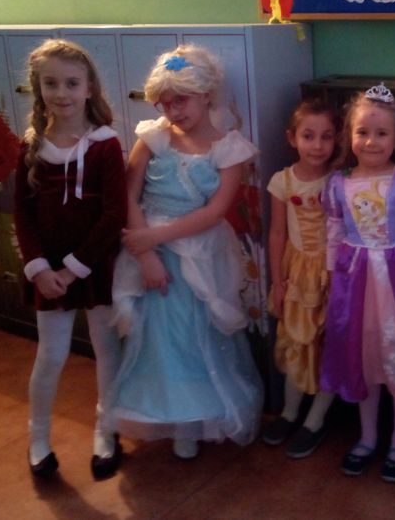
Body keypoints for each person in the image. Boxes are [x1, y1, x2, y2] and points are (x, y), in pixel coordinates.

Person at [106, 44, 263, 460]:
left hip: (200, 255)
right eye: (165, 102)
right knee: (158, 338)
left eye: (181, 100)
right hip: (150, 255)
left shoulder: (229, 149)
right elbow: (129, 195)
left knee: (195, 335)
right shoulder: (152, 138)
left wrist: (155, 238)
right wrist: (146, 255)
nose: (173, 110)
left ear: (206, 94)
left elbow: (215, 212)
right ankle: (165, 414)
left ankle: (193, 422)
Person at [13, 39, 127, 480]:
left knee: (106, 348)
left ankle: (106, 430)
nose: (61, 93)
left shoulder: (105, 145)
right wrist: (41, 269)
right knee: (51, 354)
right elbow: (22, 214)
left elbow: (114, 214)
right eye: (51, 83)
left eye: (72, 83)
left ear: (89, 88)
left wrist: (74, 267)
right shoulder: (30, 146)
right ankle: (38, 438)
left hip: (95, 267)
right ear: (38, 88)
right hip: (48, 275)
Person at [321, 83, 395, 482]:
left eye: (381, 133)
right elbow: (334, 234)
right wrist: (332, 280)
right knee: (364, 357)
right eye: (362, 132)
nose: (371, 141)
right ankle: (368, 437)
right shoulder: (338, 183)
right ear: (349, 135)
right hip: (355, 282)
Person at [262, 99, 339, 458]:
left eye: (327, 136)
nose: (317, 145)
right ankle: (290, 412)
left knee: (329, 344)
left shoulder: (339, 180)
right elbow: (277, 233)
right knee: (295, 340)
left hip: (333, 272)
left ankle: (316, 419)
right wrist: (278, 281)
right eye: (308, 136)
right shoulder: (282, 181)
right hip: (297, 273)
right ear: (292, 138)